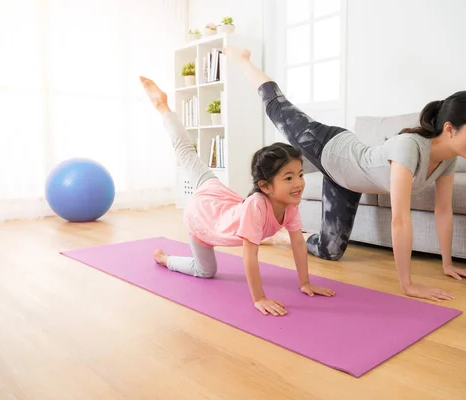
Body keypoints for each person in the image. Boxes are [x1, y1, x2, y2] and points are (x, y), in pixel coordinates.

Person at [222, 47, 466, 302]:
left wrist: (448, 264)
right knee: (277, 107)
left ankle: (278, 236)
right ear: (450, 128)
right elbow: (400, 220)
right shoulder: (410, 148)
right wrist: (408, 285)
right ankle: (243, 60)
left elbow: (443, 210)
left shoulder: (448, 160)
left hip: (346, 182)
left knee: (331, 252)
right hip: (327, 145)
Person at [138, 76, 335, 317]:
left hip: (216, 193)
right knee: (205, 270)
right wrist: (259, 298)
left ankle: (163, 107)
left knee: (189, 155)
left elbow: (297, 242)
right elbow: (250, 256)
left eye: (300, 174)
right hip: (202, 217)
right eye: (288, 178)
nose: (299, 184)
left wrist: (305, 283)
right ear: (266, 186)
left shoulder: (288, 202)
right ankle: (166, 259)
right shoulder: (256, 207)